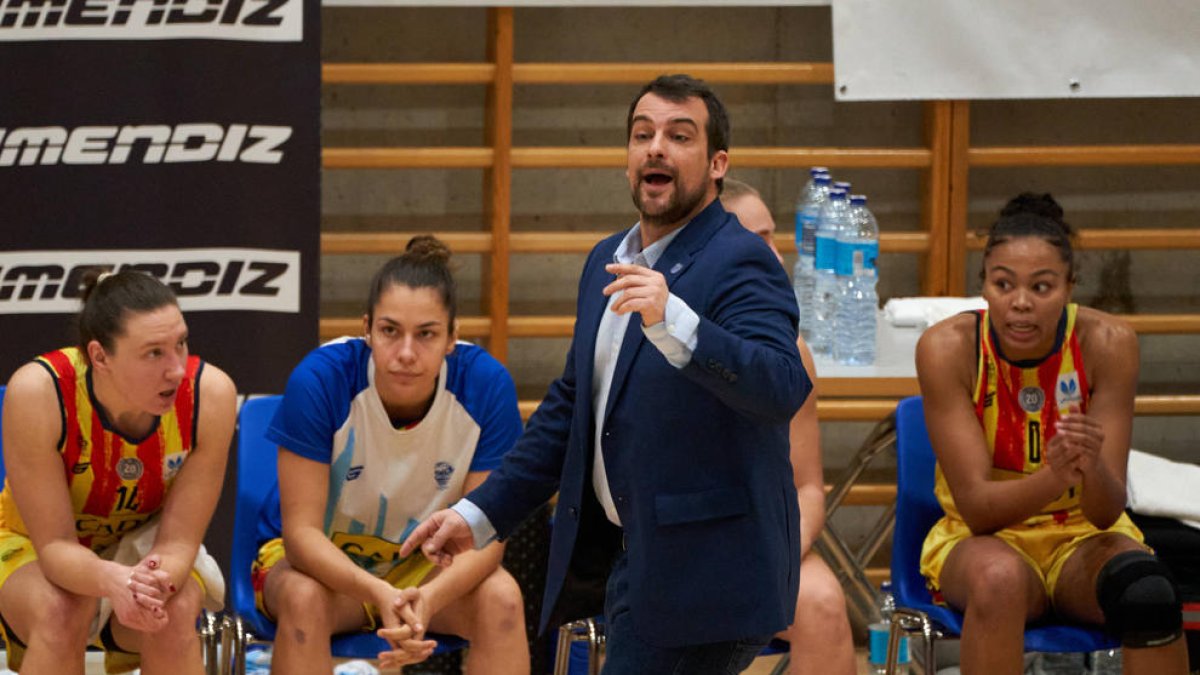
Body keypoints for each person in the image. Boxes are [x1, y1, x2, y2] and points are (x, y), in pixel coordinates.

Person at [401, 74, 811, 674]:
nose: (656, 148)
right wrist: (477, 515)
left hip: (709, 576)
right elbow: (571, 409)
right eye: (642, 135)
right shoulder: (607, 261)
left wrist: (676, 319)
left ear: (717, 163)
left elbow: (780, 385)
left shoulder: (740, 257)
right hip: (630, 562)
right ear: (627, 161)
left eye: (679, 135)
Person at [916, 193, 1189, 674]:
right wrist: (1055, 475)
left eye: (1041, 287)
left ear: (1069, 288)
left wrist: (1091, 467)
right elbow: (979, 511)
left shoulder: (1107, 344)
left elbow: (1106, 510)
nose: (1020, 303)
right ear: (983, 285)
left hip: (1082, 536)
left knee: (1149, 593)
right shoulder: (947, 349)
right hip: (984, 541)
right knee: (998, 581)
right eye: (1004, 285)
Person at [252, 235, 529, 673]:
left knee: (503, 598)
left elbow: (486, 539)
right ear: (367, 329)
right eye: (389, 331)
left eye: (426, 334)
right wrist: (379, 593)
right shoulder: (321, 380)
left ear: (453, 337)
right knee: (303, 600)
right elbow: (302, 537)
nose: (405, 353)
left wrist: (427, 599)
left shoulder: (486, 386)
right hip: (322, 572)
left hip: (426, 575)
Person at [0, 270, 236, 675]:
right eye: (154, 353)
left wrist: (150, 586)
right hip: (33, 547)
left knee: (175, 609)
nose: (177, 369)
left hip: (142, 548)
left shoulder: (210, 395)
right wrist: (113, 581)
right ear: (100, 357)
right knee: (62, 610)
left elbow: (179, 542)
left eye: (180, 343)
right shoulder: (40, 392)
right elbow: (56, 547)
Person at [723, 177, 857, 675]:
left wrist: (774, 555)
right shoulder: (657, 337)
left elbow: (807, 486)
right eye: (755, 241)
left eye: (773, 238)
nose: (775, 257)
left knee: (821, 603)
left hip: (765, 540)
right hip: (674, 544)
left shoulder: (791, 353)